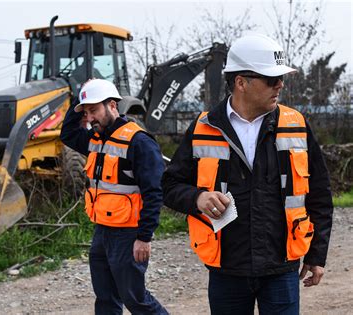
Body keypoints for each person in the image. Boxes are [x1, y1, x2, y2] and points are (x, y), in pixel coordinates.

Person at [162, 34, 333, 314]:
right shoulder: (204, 127)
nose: (280, 84)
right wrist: (197, 198)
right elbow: (169, 185)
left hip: (281, 268)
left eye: (280, 78)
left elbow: (320, 195)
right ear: (241, 82)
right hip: (227, 269)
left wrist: (317, 255)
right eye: (270, 79)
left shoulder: (296, 125)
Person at [60, 79, 168, 315]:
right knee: (105, 299)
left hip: (128, 233)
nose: (89, 119)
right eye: (86, 113)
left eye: (94, 111)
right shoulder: (95, 140)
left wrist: (144, 237)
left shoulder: (139, 142)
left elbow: (154, 192)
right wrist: (81, 97)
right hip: (102, 230)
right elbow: (67, 134)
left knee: (135, 299)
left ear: (112, 105)